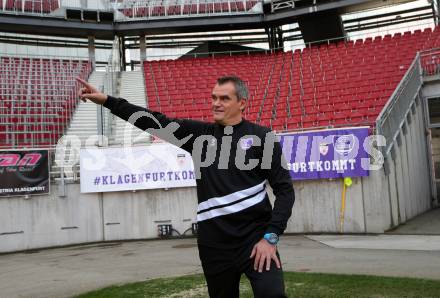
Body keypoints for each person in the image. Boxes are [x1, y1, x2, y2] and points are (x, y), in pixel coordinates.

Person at [76, 75, 295, 298]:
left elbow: (285, 190)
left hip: (256, 240)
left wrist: (271, 237)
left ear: (242, 103)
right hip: (215, 246)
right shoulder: (199, 136)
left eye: (224, 98)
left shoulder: (263, 138)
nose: (216, 103)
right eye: (214, 97)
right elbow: (154, 121)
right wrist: (107, 101)